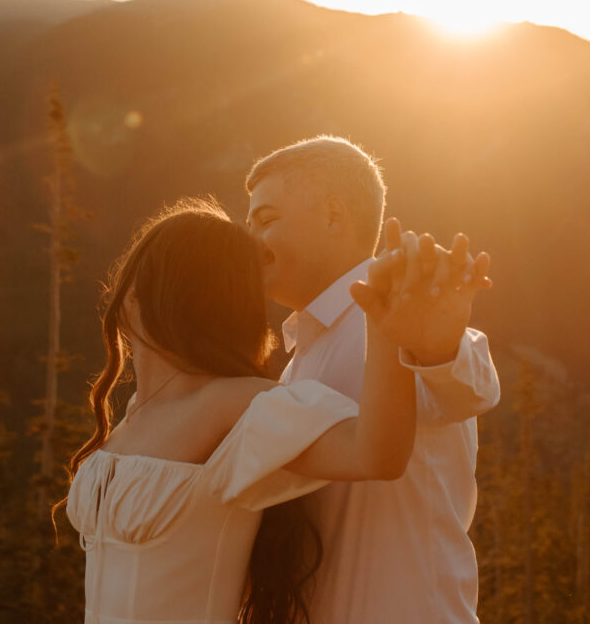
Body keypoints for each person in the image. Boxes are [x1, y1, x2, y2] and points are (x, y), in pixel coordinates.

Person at [56, 197, 473, 624]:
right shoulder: (133, 413)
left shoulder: (230, 402)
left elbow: (377, 454)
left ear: (150, 293)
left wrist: (387, 330)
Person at [245, 136, 499, 623]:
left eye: (266, 220)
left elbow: (469, 387)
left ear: (334, 216)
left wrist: (437, 346)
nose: (249, 240)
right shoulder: (302, 355)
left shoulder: (400, 310)